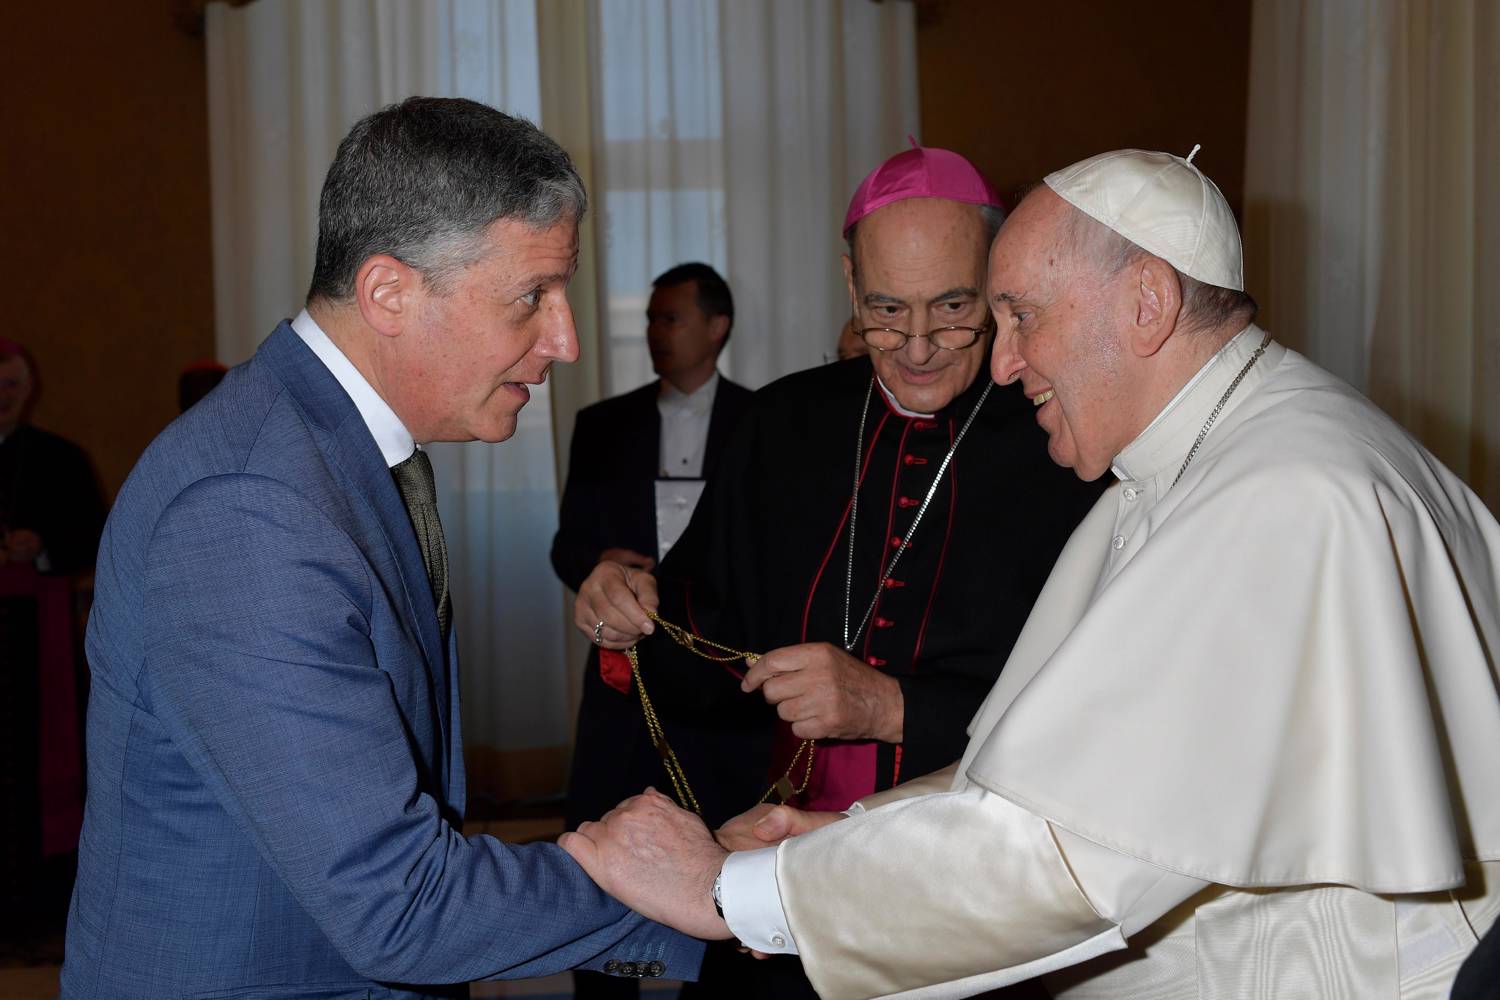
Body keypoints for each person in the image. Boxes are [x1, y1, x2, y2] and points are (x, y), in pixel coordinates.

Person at [560, 148, 1500, 999]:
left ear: (1146, 303)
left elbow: (1075, 851)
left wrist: (734, 893)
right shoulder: (1201, 460)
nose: (1001, 365)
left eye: (1015, 315)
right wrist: (855, 835)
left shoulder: (1279, 494)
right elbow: (1045, 765)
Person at [62, 97, 702, 1000]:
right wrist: (683, 889)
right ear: (390, 293)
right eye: (532, 296)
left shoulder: (342, 449)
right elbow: (398, 907)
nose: (564, 340)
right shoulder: (249, 511)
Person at [573, 144, 1102, 997]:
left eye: (955, 308)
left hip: (967, 882)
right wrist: (625, 612)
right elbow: (708, 630)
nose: (920, 346)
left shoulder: (1062, 441)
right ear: (852, 288)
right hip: (778, 861)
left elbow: (1101, 710)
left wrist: (892, 707)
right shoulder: (786, 422)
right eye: (888, 311)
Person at [552, 262, 752, 1000]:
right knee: (601, 851)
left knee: (727, 850)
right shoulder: (601, 425)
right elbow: (566, 547)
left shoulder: (765, 423)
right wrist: (599, 564)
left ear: (716, 327)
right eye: (649, 320)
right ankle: (607, 987)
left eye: (670, 318)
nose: (654, 334)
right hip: (620, 674)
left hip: (721, 688)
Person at [0, 340, 106, 575]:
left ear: (29, 389)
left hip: (41, 603)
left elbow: (96, 540)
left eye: (11, 385)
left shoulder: (64, 458)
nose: (3, 395)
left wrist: (42, 546)